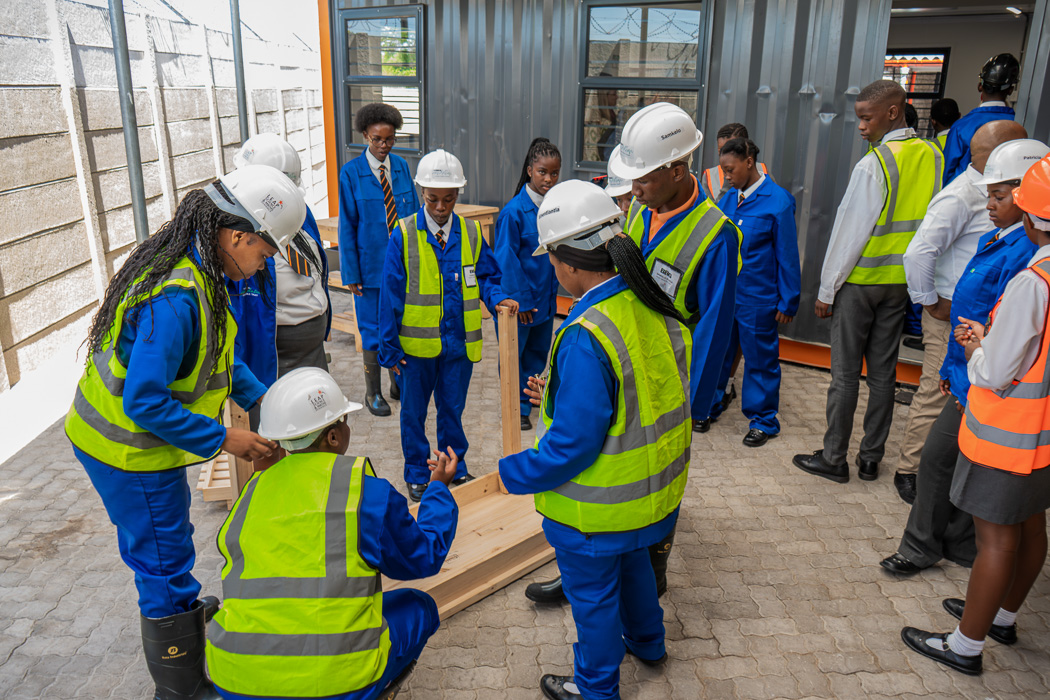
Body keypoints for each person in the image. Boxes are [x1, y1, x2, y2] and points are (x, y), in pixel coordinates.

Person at [63, 165, 307, 700]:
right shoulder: (178, 297)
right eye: (266, 252)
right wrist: (226, 439)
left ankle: (182, 615)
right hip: (127, 453)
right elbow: (144, 401)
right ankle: (182, 686)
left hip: (132, 444)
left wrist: (266, 401)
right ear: (238, 235)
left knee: (166, 545)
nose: (265, 264)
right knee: (162, 559)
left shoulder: (201, 272)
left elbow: (219, 359)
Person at [499, 179, 692, 700]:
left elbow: (573, 446)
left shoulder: (586, 332)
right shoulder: (649, 300)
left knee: (594, 600)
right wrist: (558, 391)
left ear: (567, 262)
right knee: (634, 571)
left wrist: (512, 472)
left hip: (597, 510)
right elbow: (637, 393)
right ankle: (649, 644)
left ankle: (596, 689)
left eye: (550, 256)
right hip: (649, 498)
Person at [205, 367, 458, 699]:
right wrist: (438, 489)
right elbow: (423, 557)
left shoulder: (251, 493)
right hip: (335, 683)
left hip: (236, 679)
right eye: (344, 420)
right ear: (334, 437)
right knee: (419, 606)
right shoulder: (363, 492)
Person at [901, 154, 1050, 676]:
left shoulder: (1033, 280)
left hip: (1009, 434)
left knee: (996, 541)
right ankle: (1001, 617)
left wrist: (976, 348)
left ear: (1031, 215)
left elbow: (996, 372)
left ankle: (964, 647)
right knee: (1031, 528)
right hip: (1042, 437)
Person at [880, 137, 1047, 578]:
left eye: (998, 196)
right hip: (967, 373)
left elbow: (1003, 331)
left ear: (1026, 196)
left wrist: (969, 364)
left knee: (939, 462)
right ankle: (952, 545)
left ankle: (928, 548)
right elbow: (974, 315)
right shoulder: (1000, 238)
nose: (989, 204)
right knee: (950, 462)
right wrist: (953, 367)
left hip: (988, 383)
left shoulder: (1025, 254)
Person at [794, 80, 943, 484]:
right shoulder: (933, 155)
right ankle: (871, 459)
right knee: (883, 374)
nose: (860, 126)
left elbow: (849, 235)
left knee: (844, 375)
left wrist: (827, 290)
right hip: (900, 285)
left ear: (893, 113)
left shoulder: (874, 164)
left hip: (860, 283)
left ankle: (834, 458)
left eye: (866, 117)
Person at [892, 121, 1030, 505]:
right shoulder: (961, 195)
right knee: (935, 394)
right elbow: (918, 253)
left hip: (975, 320)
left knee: (956, 397)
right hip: (951, 317)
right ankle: (909, 470)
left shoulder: (994, 194)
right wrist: (931, 303)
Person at [379, 149, 518, 501]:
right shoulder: (403, 234)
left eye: (449, 199)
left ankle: (453, 465)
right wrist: (389, 348)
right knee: (413, 413)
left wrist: (497, 298)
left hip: (458, 344)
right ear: (421, 193)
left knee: (452, 410)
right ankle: (417, 471)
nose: (441, 207)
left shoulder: (471, 233)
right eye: (433, 199)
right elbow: (389, 295)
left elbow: (487, 276)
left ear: (458, 194)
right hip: (415, 349)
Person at [228, 135, 331, 433]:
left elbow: (317, 271)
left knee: (315, 429)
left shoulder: (299, 212)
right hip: (271, 358)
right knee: (276, 433)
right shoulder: (242, 238)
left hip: (311, 351)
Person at [708, 137, 800, 447]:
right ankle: (711, 405)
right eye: (723, 170)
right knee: (720, 353)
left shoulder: (778, 201)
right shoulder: (728, 200)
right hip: (727, 296)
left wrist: (788, 301)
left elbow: (787, 255)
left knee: (760, 360)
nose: (726, 176)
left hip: (758, 299)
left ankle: (763, 421)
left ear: (749, 162)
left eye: (730, 169)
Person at [338, 103, 420, 416]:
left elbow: (413, 216)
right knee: (372, 329)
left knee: (400, 323)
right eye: (377, 139)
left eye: (389, 139)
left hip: (402, 265)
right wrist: (351, 273)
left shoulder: (401, 167)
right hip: (369, 268)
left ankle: (397, 382)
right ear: (365, 136)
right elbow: (347, 226)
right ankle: (373, 392)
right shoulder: (351, 173)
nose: (383, 146)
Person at [492, 137, 562, 431]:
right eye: (543, 172)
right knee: (514, 357)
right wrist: (520, 302)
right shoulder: (513, 212)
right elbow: (505, 260)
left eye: (554, 173)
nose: (549, 179)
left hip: (545, 301)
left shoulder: (555, 208)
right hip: (521, 304)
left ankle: (530, 397)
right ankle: (516, 406)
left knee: (537, 354)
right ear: (530, 170)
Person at [942, 54, 1020, 185]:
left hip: (964, 193)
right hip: (1004, 196)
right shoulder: (1019, 126)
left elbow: (947, 171)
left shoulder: (961, 127)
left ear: (980, 86)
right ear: (1010, 90)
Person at [699, 123, 771, 202]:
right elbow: (711, 209)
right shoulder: (710, 176)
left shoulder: (763, 170)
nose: (725, 155)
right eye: (721, 151)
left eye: (731, 150)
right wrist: (727, 188)